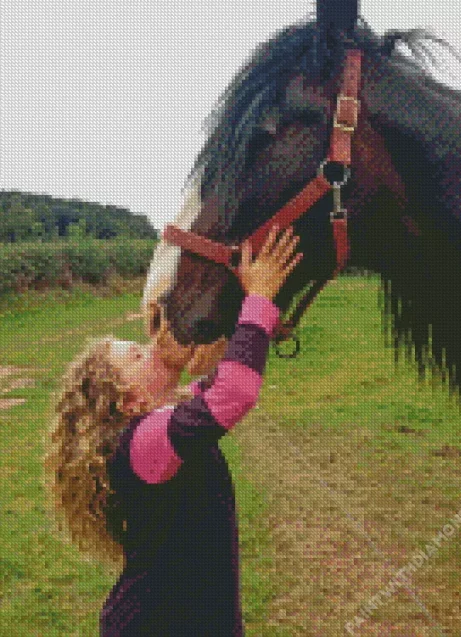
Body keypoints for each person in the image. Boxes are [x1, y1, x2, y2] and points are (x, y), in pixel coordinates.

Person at [43, 225, 302, 636]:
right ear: (124, 398)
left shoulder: (156, 431)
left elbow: (221, 382)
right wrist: (258, 297)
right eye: (136, 354)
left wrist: (241, 318)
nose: (152, 345)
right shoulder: (144, 442)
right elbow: (232, 396)